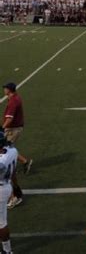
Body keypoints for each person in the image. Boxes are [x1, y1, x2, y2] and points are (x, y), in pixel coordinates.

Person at [2, 82, 32, 210]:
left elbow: (9, 118)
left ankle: (13, 197)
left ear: (9, 89)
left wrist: (2, 129)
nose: (3, 89)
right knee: (10, 153)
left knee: (7, 151)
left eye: (5, 88)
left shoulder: (13, 101)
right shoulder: (15, 98)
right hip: (15, 128)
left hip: (13, 129)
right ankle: (17, 193)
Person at [0, 130, 18, 254]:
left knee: (1, 223)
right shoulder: (13, 151)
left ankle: (7, 250)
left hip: (0, 188)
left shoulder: (1, 161)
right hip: (6, 186)